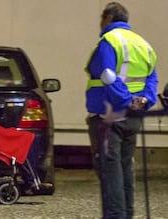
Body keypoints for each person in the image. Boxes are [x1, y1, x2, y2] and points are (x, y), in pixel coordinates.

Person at [85, 2, 158, 218]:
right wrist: (145, 100)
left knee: (110, 170)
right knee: (126, 166)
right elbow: (152, 77)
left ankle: (115, 215)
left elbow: (107, 75)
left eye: (101, 19)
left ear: (107, 18)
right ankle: (127, 213)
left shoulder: (108, 41)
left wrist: (124, 100)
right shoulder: (143, 44)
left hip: (109, 115)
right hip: (133, 116)